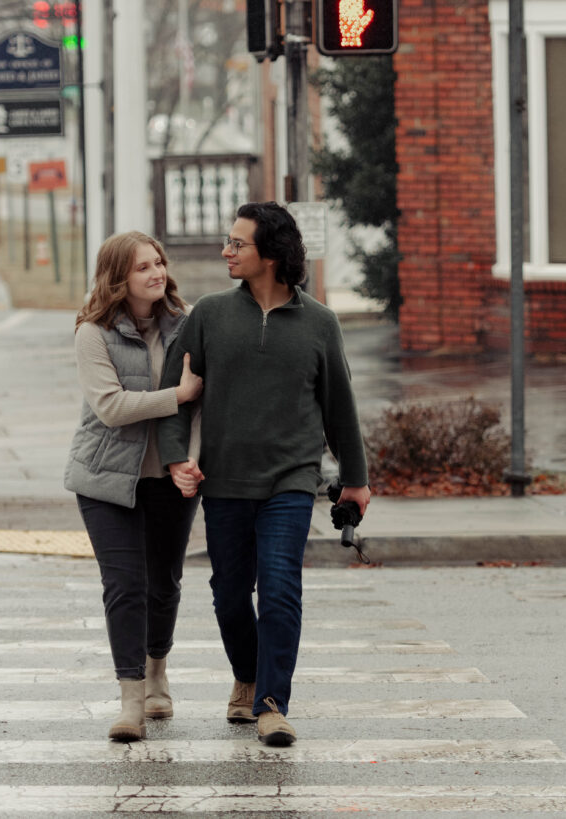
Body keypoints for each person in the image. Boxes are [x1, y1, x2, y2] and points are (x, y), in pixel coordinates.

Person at [157, 201, 371, 746]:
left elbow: (339, 404)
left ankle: (273, 703)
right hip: (224, 479)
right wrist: (177, 456)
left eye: (237, 243)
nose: (226, 251)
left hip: (291, 479)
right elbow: (175, 394)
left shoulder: (320, 324)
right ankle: (247, 678)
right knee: (230, 594)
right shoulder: (208, 314)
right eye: (228, 242)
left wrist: (355, 477)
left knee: (279, 589)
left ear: (271, 255)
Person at [64, 231, 203, 742]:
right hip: (105, 479)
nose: (156, 272)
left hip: (169, 477)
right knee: (124, 586)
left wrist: (189, 460)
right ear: (118, 277)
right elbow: (111, 406)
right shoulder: (92, 332)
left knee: (164, 583)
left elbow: (202, 406)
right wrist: (176, 394)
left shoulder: (187, 325)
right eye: (143, 266)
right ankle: (130, 701)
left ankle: (157, 674)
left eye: (159, 262)